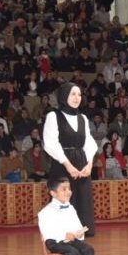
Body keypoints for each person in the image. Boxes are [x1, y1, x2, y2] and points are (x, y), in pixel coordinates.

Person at [43, 83, 97, 236]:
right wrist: (68, 165)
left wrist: (89, 164)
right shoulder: (53, 116)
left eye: (79, 94)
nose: (77, 98)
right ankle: (62, 234)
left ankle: (81, 232)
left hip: (81, 162)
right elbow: (51, 143)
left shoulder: (83, 118)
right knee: (63, 198)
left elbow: (89, 142)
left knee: (82, 199)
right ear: (64, 96)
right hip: (62, 163)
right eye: (73, 94)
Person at [38, 176, 96, 255]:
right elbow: (47, 232)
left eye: (69, 189)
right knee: (72, 252)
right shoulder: (45, 212)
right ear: (53, 193)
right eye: (64, 189)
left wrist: (79, 234)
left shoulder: (71, 208)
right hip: (55, 242)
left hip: (71, 240)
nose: (68, 192)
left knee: (89, 250)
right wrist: (64, 235)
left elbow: (77, 226)